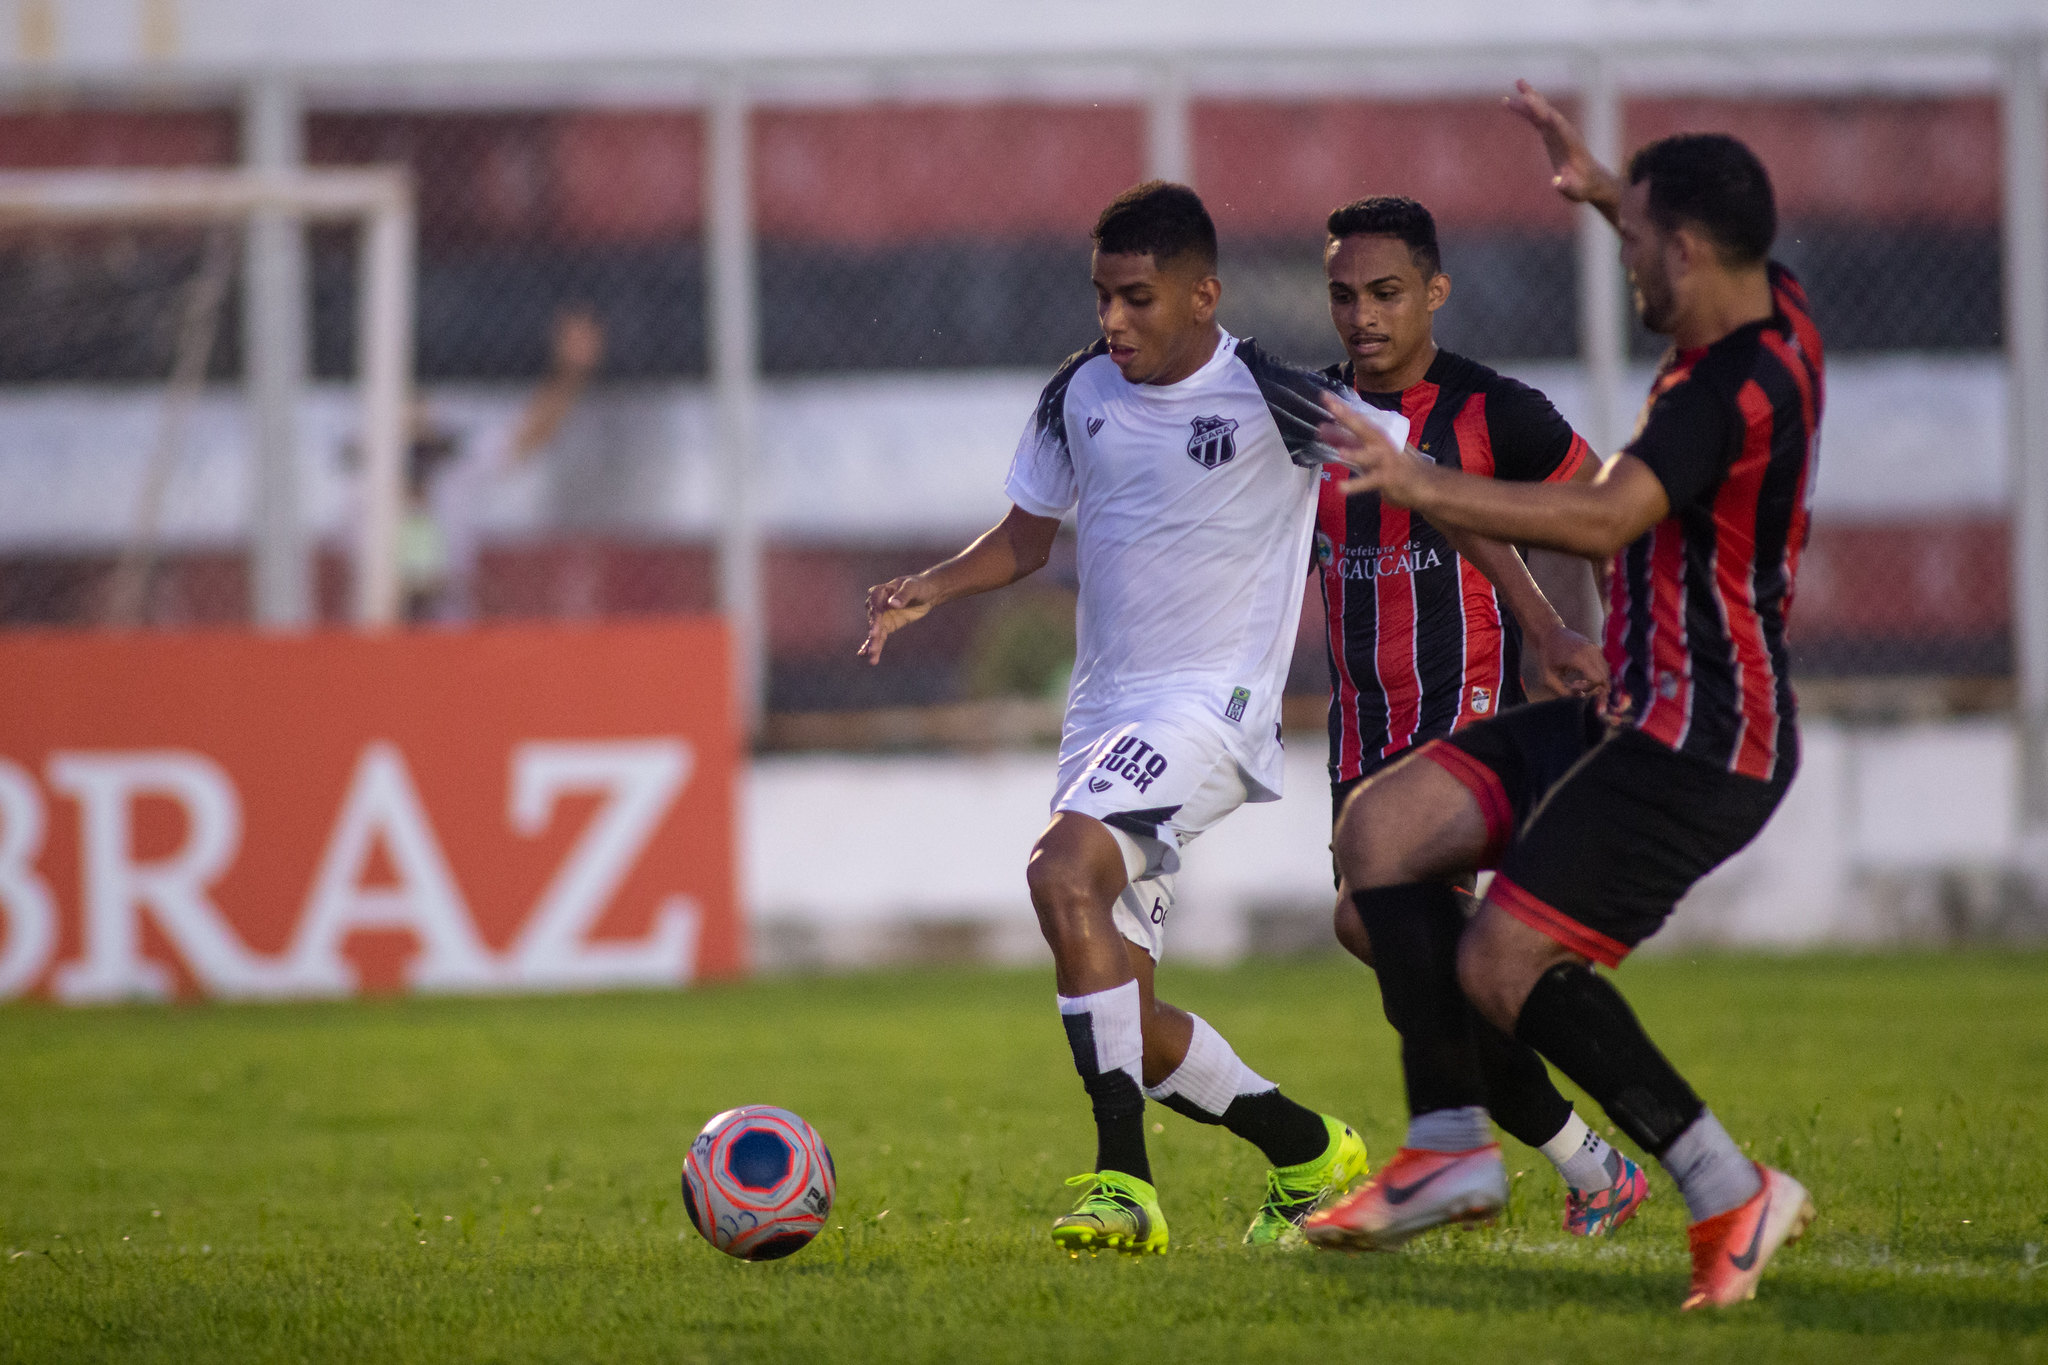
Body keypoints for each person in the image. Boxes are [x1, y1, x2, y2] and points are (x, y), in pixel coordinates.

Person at [1304, 84, 1825, 1313]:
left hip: (1701, 739)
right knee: (1375, 833)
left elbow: (1601, 517)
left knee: (1497, 961)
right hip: (1626, 708)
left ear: (1684, 255)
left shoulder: (1722, 397)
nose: (1626, 267)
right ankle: (1445, 1145)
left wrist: (1415, 479)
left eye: (1637, 245)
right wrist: (1604, 192)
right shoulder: (1777, 312)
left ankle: (1723, 1185)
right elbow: (1705, 248)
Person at [859, 182, 1402, 1255]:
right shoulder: (1078, 392)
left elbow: (1410, 470)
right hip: (1102, 722)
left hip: (1209, 712)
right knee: (1129, 1017)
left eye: (1137, 299)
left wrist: (1529, 614)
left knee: (1058, 873)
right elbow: (1023, 540)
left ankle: (1123, 1185)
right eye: (1103, 296)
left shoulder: (1272, 396)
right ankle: (1307, 1152)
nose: (1113, 321)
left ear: (1203, 296)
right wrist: (933, 583)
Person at [1312, 195, 1649, 1242]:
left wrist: (1583, 637)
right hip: (1358, 732)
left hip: (1465, 719)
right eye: (1341, 296)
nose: (1361, 316)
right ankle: (1591, 1162)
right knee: (1430, 974)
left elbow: (1609, 509)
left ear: (1433, 293)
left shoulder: (1492, 410)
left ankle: (1513, 1155)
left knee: (1387, 932)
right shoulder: (1310, 414)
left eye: (1383, 293)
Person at [397, 307, 604, 622]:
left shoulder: (452, 465)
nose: (417, 417)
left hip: (448, 634)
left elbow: (529, 436)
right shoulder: (363, 480)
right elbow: (415, 582)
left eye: (421, 408)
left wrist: (570, 371)